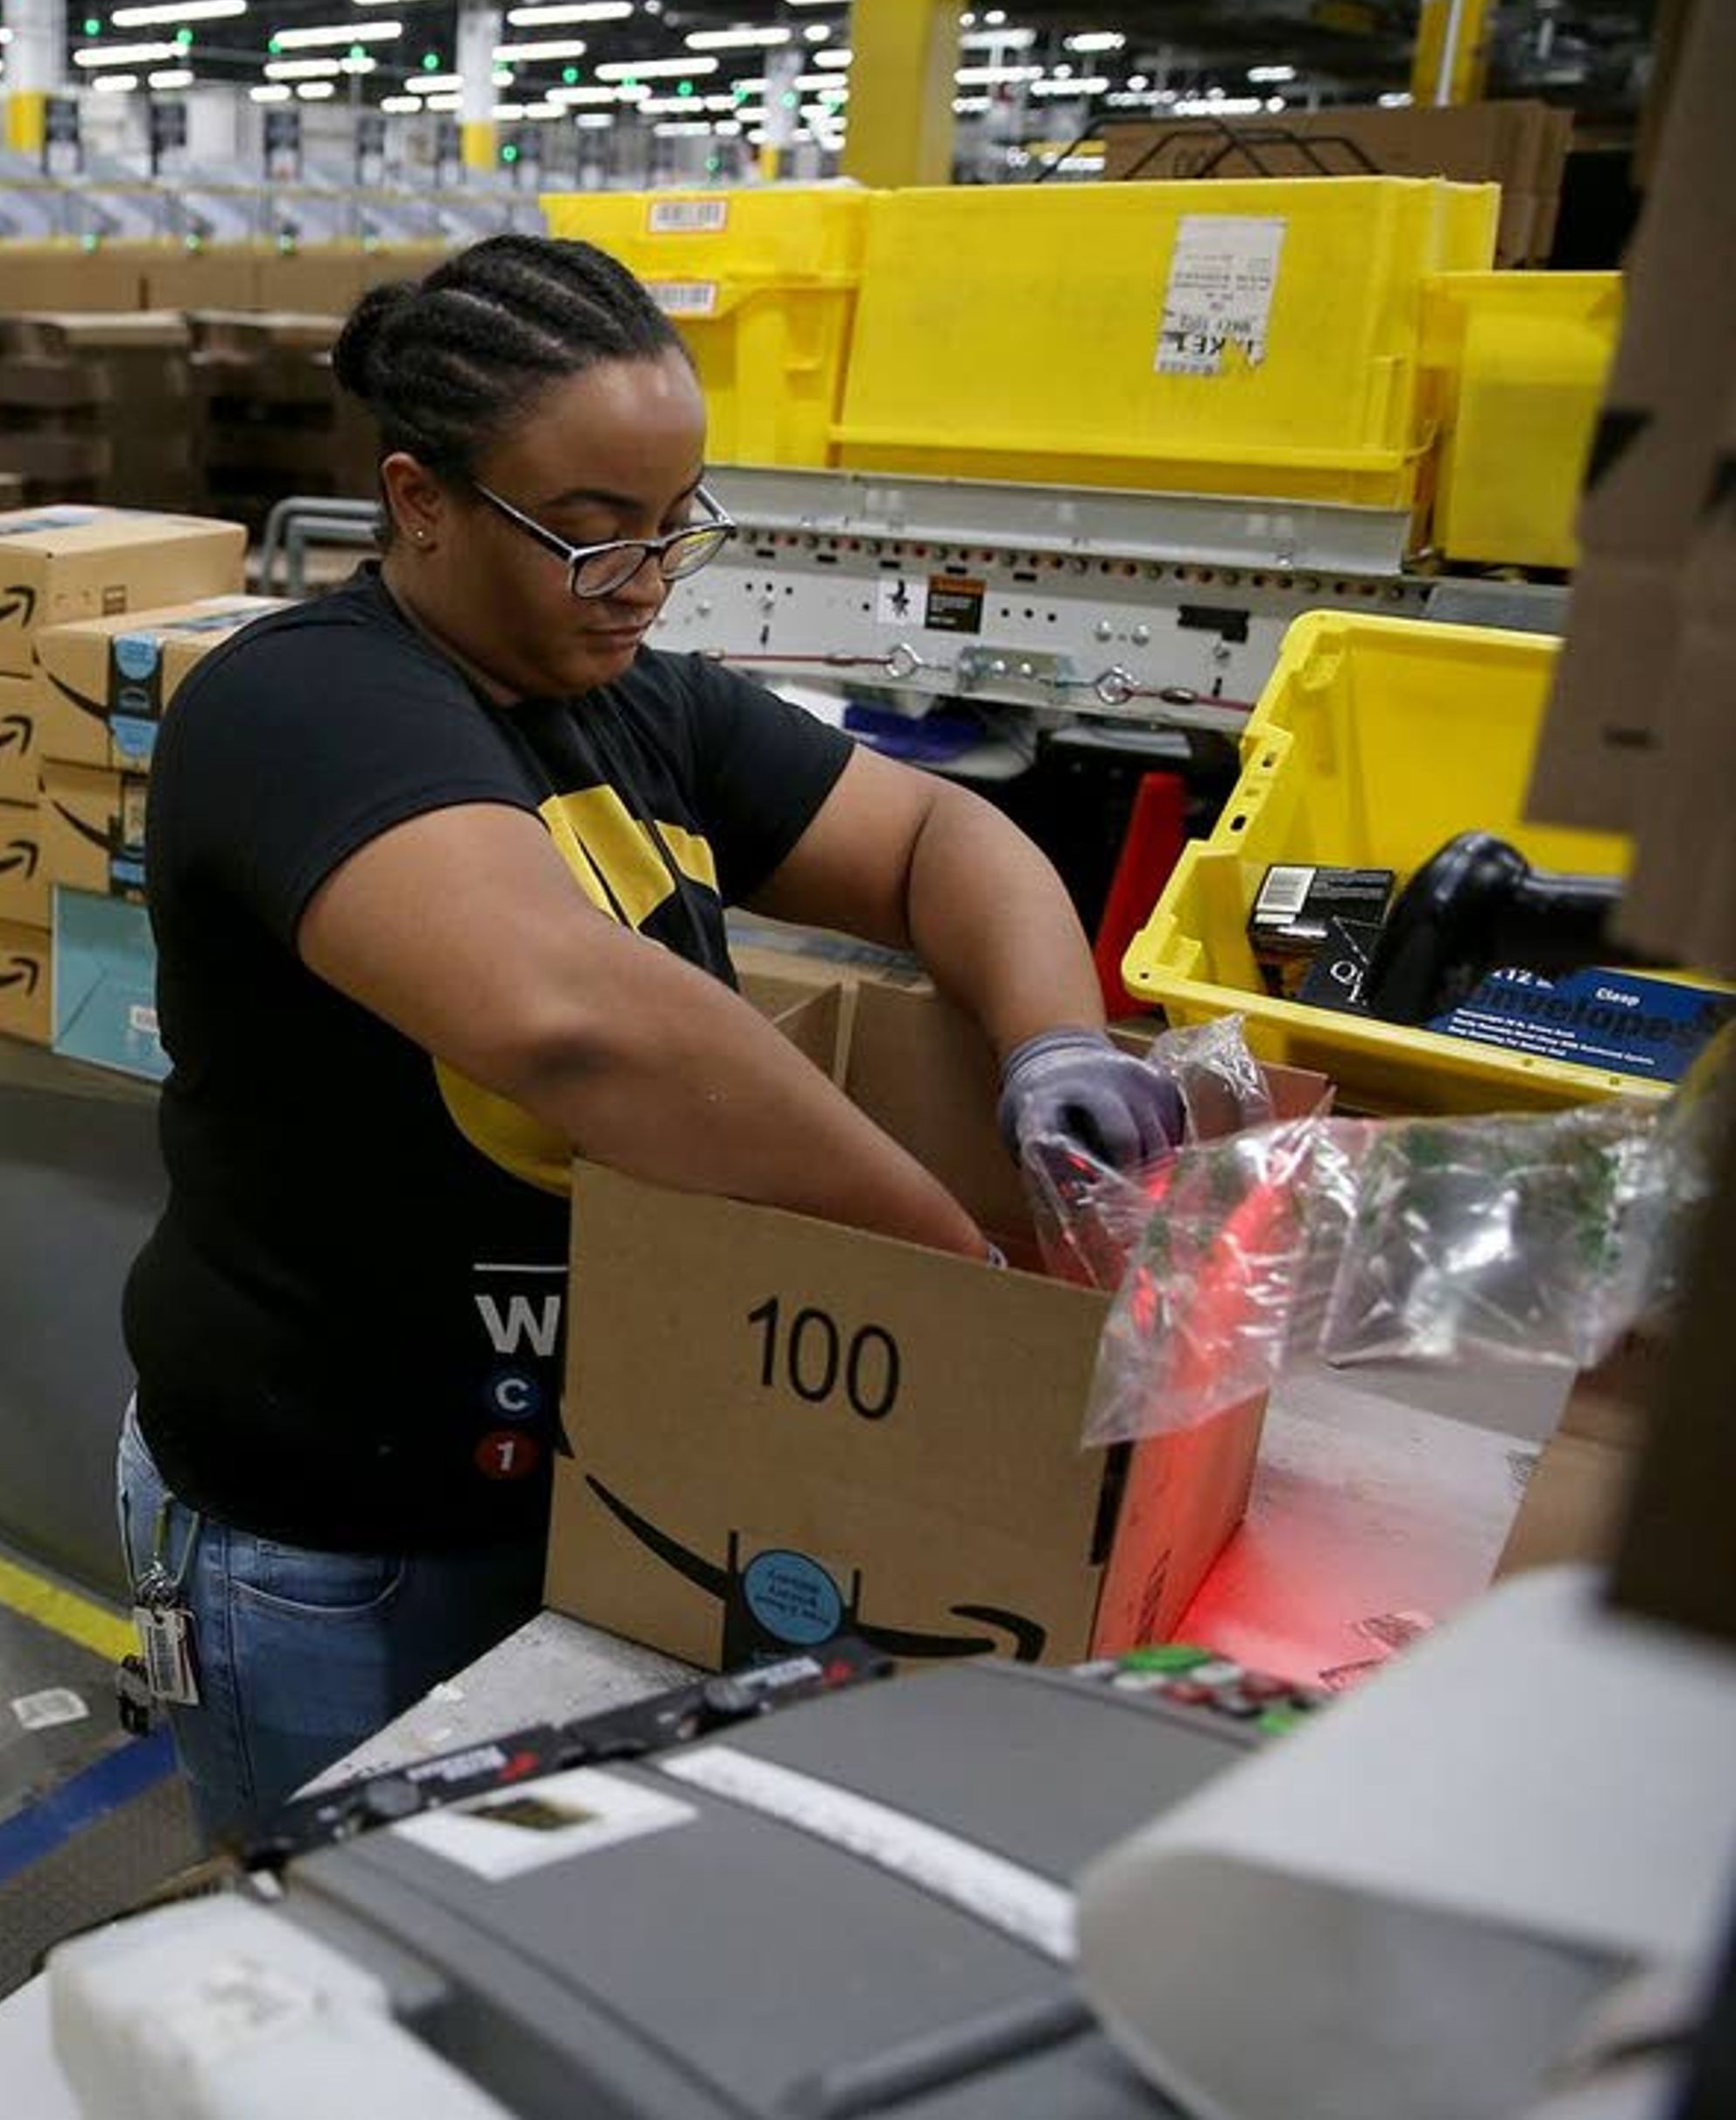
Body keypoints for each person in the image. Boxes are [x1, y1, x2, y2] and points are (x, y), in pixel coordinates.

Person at [116, 234, 1183, 1851]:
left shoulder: (641, 701)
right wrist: (956, 1275)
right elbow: (577, 1028)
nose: (648, 580)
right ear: (419, 502)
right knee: (354, 1967)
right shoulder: (301, 711)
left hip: (599, 1481)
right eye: (590, 536)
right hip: (335, 1533)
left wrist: (1055, 1050)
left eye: (676, 523)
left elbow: (934, 844)